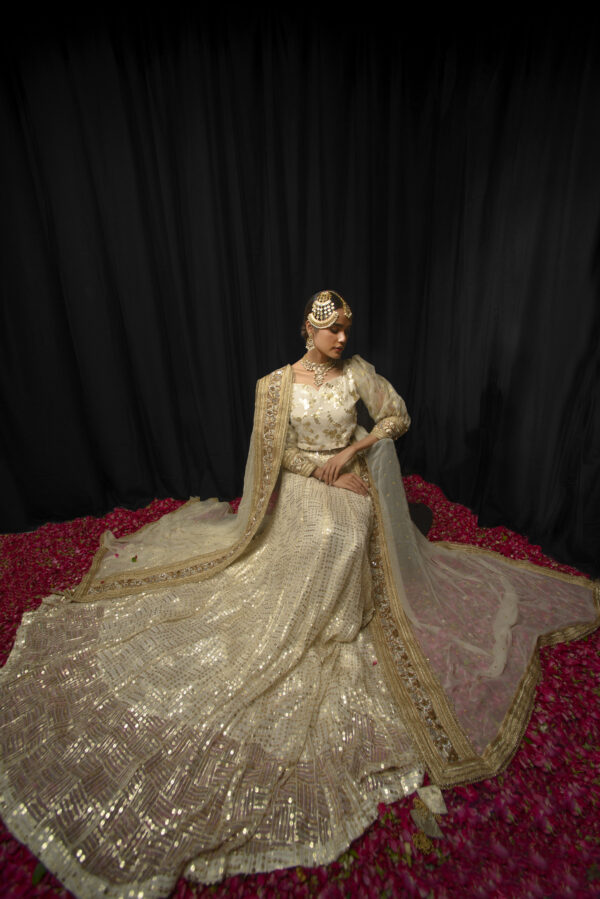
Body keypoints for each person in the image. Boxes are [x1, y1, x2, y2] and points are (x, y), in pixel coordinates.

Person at [0, 291, 597, 899]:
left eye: (347, 330)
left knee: (349, 529)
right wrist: (317, 469)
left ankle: (338, 614)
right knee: (319, 535)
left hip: (348, 476)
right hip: (301, 482)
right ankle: (300, 611)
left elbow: (396, 416)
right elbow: (273, 451)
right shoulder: (276, 385)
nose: (342, 339)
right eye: (333, 331)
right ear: (308, 330)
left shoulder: (357, 373)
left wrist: (354, 452)